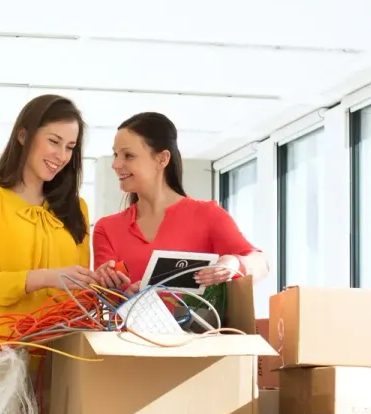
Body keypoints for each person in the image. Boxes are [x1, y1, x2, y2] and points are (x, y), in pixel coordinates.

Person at [0, 94, 128, 352]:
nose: (61, 155)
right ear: (23, 136)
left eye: (70, 147)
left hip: (61, 363)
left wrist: (100, 282)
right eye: (54, 141)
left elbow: (78, 295)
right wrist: (46, 278)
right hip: (1, 362)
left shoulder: (75, 209)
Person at [91, 111, 268, 290]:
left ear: (162, 159)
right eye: (115, 155)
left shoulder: (208, 216)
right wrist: (116, 292)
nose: (115, 164)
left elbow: (261, 263)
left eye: (128, 155)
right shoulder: (106, 229)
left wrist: (234, 264)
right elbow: (104, 302)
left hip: (199, 319)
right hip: (128, 319)